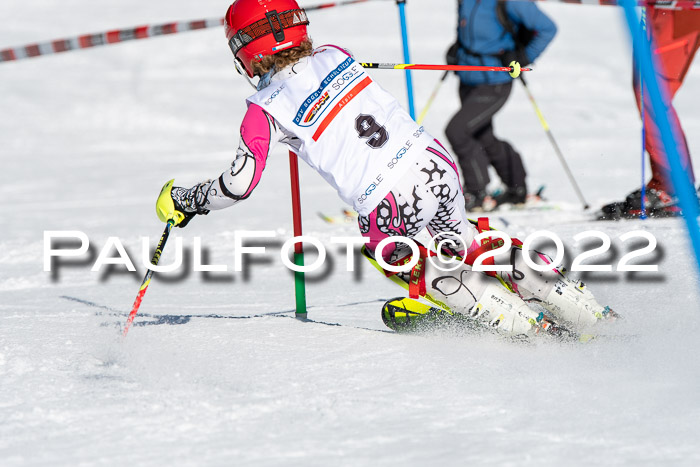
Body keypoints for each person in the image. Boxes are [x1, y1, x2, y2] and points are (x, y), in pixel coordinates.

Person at [156, 0, 615, 338]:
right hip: (435, 163)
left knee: (405, 259)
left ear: (247, 50)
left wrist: (188, 200)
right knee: (467, 241)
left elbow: (239, 184)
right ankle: (578, 306)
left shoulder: (264, 106)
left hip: (385, 199)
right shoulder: (334, 53)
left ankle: (516, 323)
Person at [444, 0, 556, 211]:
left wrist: (523, 57)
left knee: (457, 131)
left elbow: (547, 28)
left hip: (495, 81)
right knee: (482, 136)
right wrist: (457, 49)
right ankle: (516, 187)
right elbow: (467, 27)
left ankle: (476, 193)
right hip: (467, 77)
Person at [601, 8, 700, 220]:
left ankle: (674, 187)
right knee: (648, 91)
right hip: (660, 11)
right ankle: (669, 184)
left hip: (678, 11)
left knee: (652, 91)